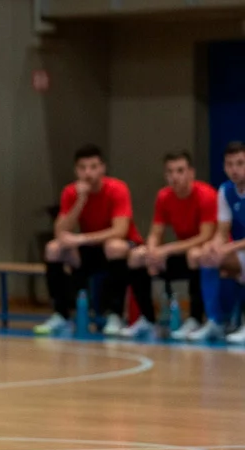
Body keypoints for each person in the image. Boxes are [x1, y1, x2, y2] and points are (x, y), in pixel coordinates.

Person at [35, 145, 143, 336]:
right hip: (88, 249)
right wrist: (80, 200)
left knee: (114, 247)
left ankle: (115, 315)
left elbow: (120, 230)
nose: (88, 173)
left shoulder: (117, 189)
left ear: (102, 168)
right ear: (76, 171)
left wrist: (81, 239)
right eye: (82, 168)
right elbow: (60, 231)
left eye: (93, 167)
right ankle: (61, 315)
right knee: (53, 249)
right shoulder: (70, 192)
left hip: (120, 249)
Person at [121, 151, 217, 340]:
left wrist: (166, 249)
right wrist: (151, 251)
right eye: (170, 172)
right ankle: (148, 320)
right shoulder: (164, 196)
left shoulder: (206, 195)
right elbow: (156, 232)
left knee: (194, 254)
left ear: (191, 173)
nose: (175, 176)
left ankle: (195, 319)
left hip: (206, 254)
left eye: (180, 171)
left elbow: (205, 236)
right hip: (180, 252)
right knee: (136, 257)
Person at [185, 141, 245, 344]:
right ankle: (215, 322)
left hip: (240, 248)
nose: (234, 169)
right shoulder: (226, 191)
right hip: (240, 251)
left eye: (240, 163)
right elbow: (222, 231)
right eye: (230, 164)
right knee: (206, 257)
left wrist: (228, 247)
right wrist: (213, 246)